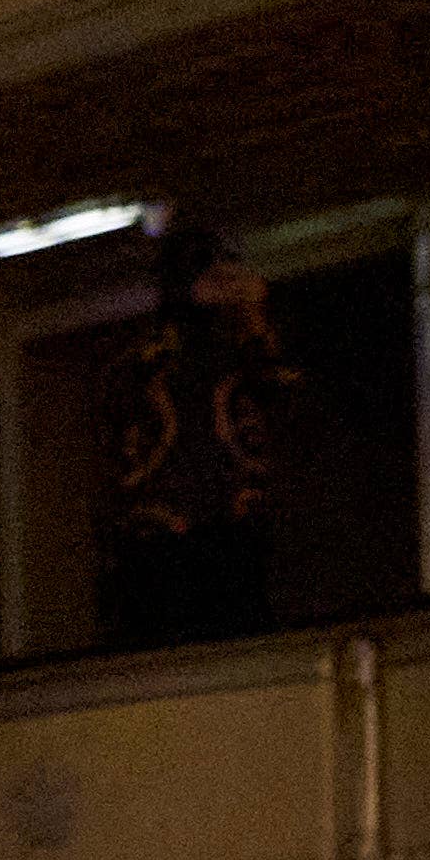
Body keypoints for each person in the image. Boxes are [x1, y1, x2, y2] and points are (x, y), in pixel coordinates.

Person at [101, 227, 304, 647]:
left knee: (238, 631)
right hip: (168, 535)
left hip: (232, 527)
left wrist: (254, 316)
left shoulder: (247, 347)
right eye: (216, 275)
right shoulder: (152, 355)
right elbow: (129, 438)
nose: (226, 285)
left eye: (231, 275)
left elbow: (283, 392)